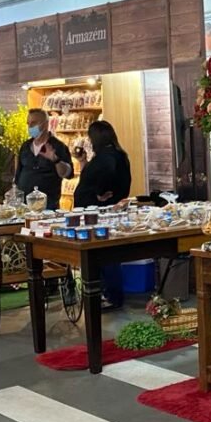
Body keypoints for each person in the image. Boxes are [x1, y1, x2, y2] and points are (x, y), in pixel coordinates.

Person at [74, 121, 132, 311]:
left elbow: (103, 177)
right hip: (106, 208)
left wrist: (100, 192)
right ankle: (108, 294)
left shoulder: (105, 158)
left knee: (103, 256)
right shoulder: (118, 155)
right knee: (108, 255)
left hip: (97, 211)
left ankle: (109, 295)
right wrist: (83, 162)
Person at [14, 109, 73, 210]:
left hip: (48, 206)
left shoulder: (58, 147)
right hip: (24, 206)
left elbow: (67, 173)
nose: (30, 127)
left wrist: (55, 160)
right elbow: (19, 174)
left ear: (45, 124)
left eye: (33, 123)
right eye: (28, 124)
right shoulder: (25, 146)